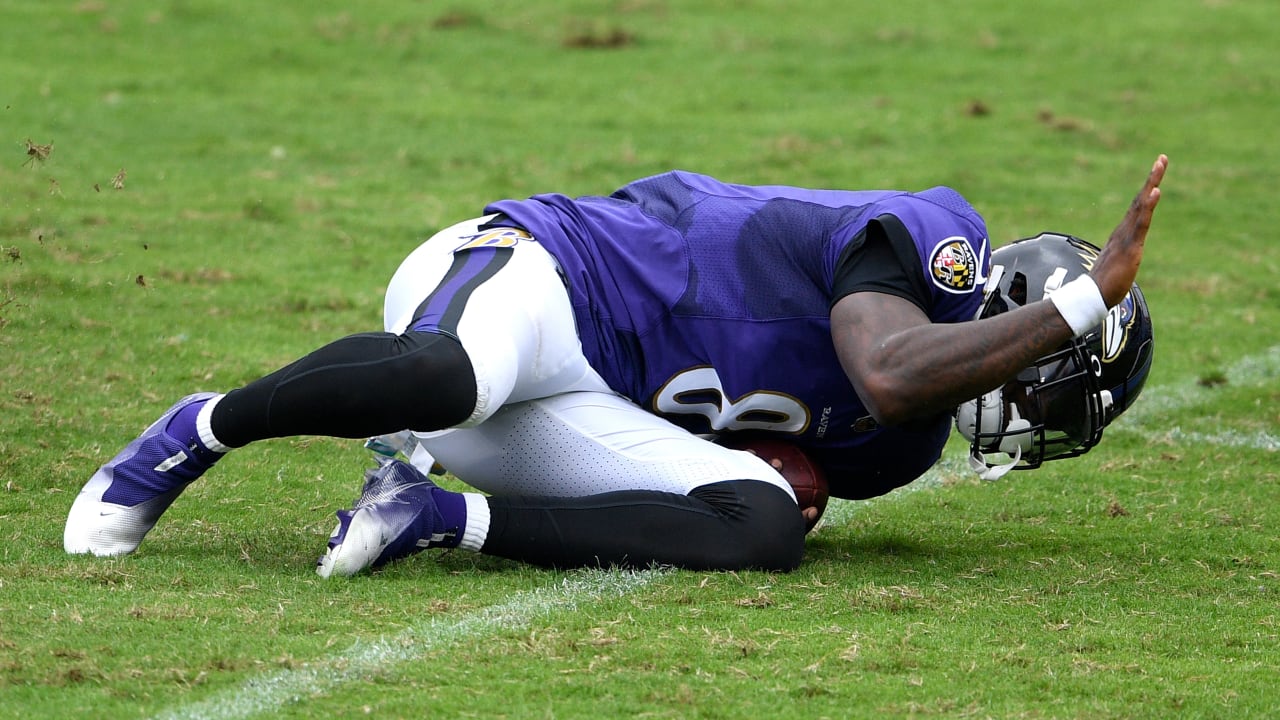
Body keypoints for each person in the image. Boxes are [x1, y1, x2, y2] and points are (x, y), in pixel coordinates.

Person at [63, 155, 1169, 576]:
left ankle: (427, 519)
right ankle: (200, 430)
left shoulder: (902, 448)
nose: (1025, 406)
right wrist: (1079, 307)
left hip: (573, 409)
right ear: (1017, 302)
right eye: (1045, 381)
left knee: (761, 525)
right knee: (448, 379)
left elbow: (763, 449)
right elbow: (880, 367)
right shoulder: (932, 234)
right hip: (542, 281)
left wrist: (766, 472)